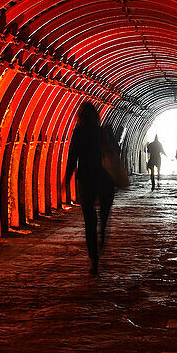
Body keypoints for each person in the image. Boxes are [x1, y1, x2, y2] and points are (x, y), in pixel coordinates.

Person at [63, 102, 116, 275]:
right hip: (105, 178)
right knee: (104, 217)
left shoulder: (78, 133)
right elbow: (117, 152)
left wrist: (66, 179)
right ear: (96, 115)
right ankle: (101, 241)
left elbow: (72, 158)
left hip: (86, 179)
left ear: (80, 116)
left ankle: (94, 259)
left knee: (89, 220)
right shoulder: (104, 132)